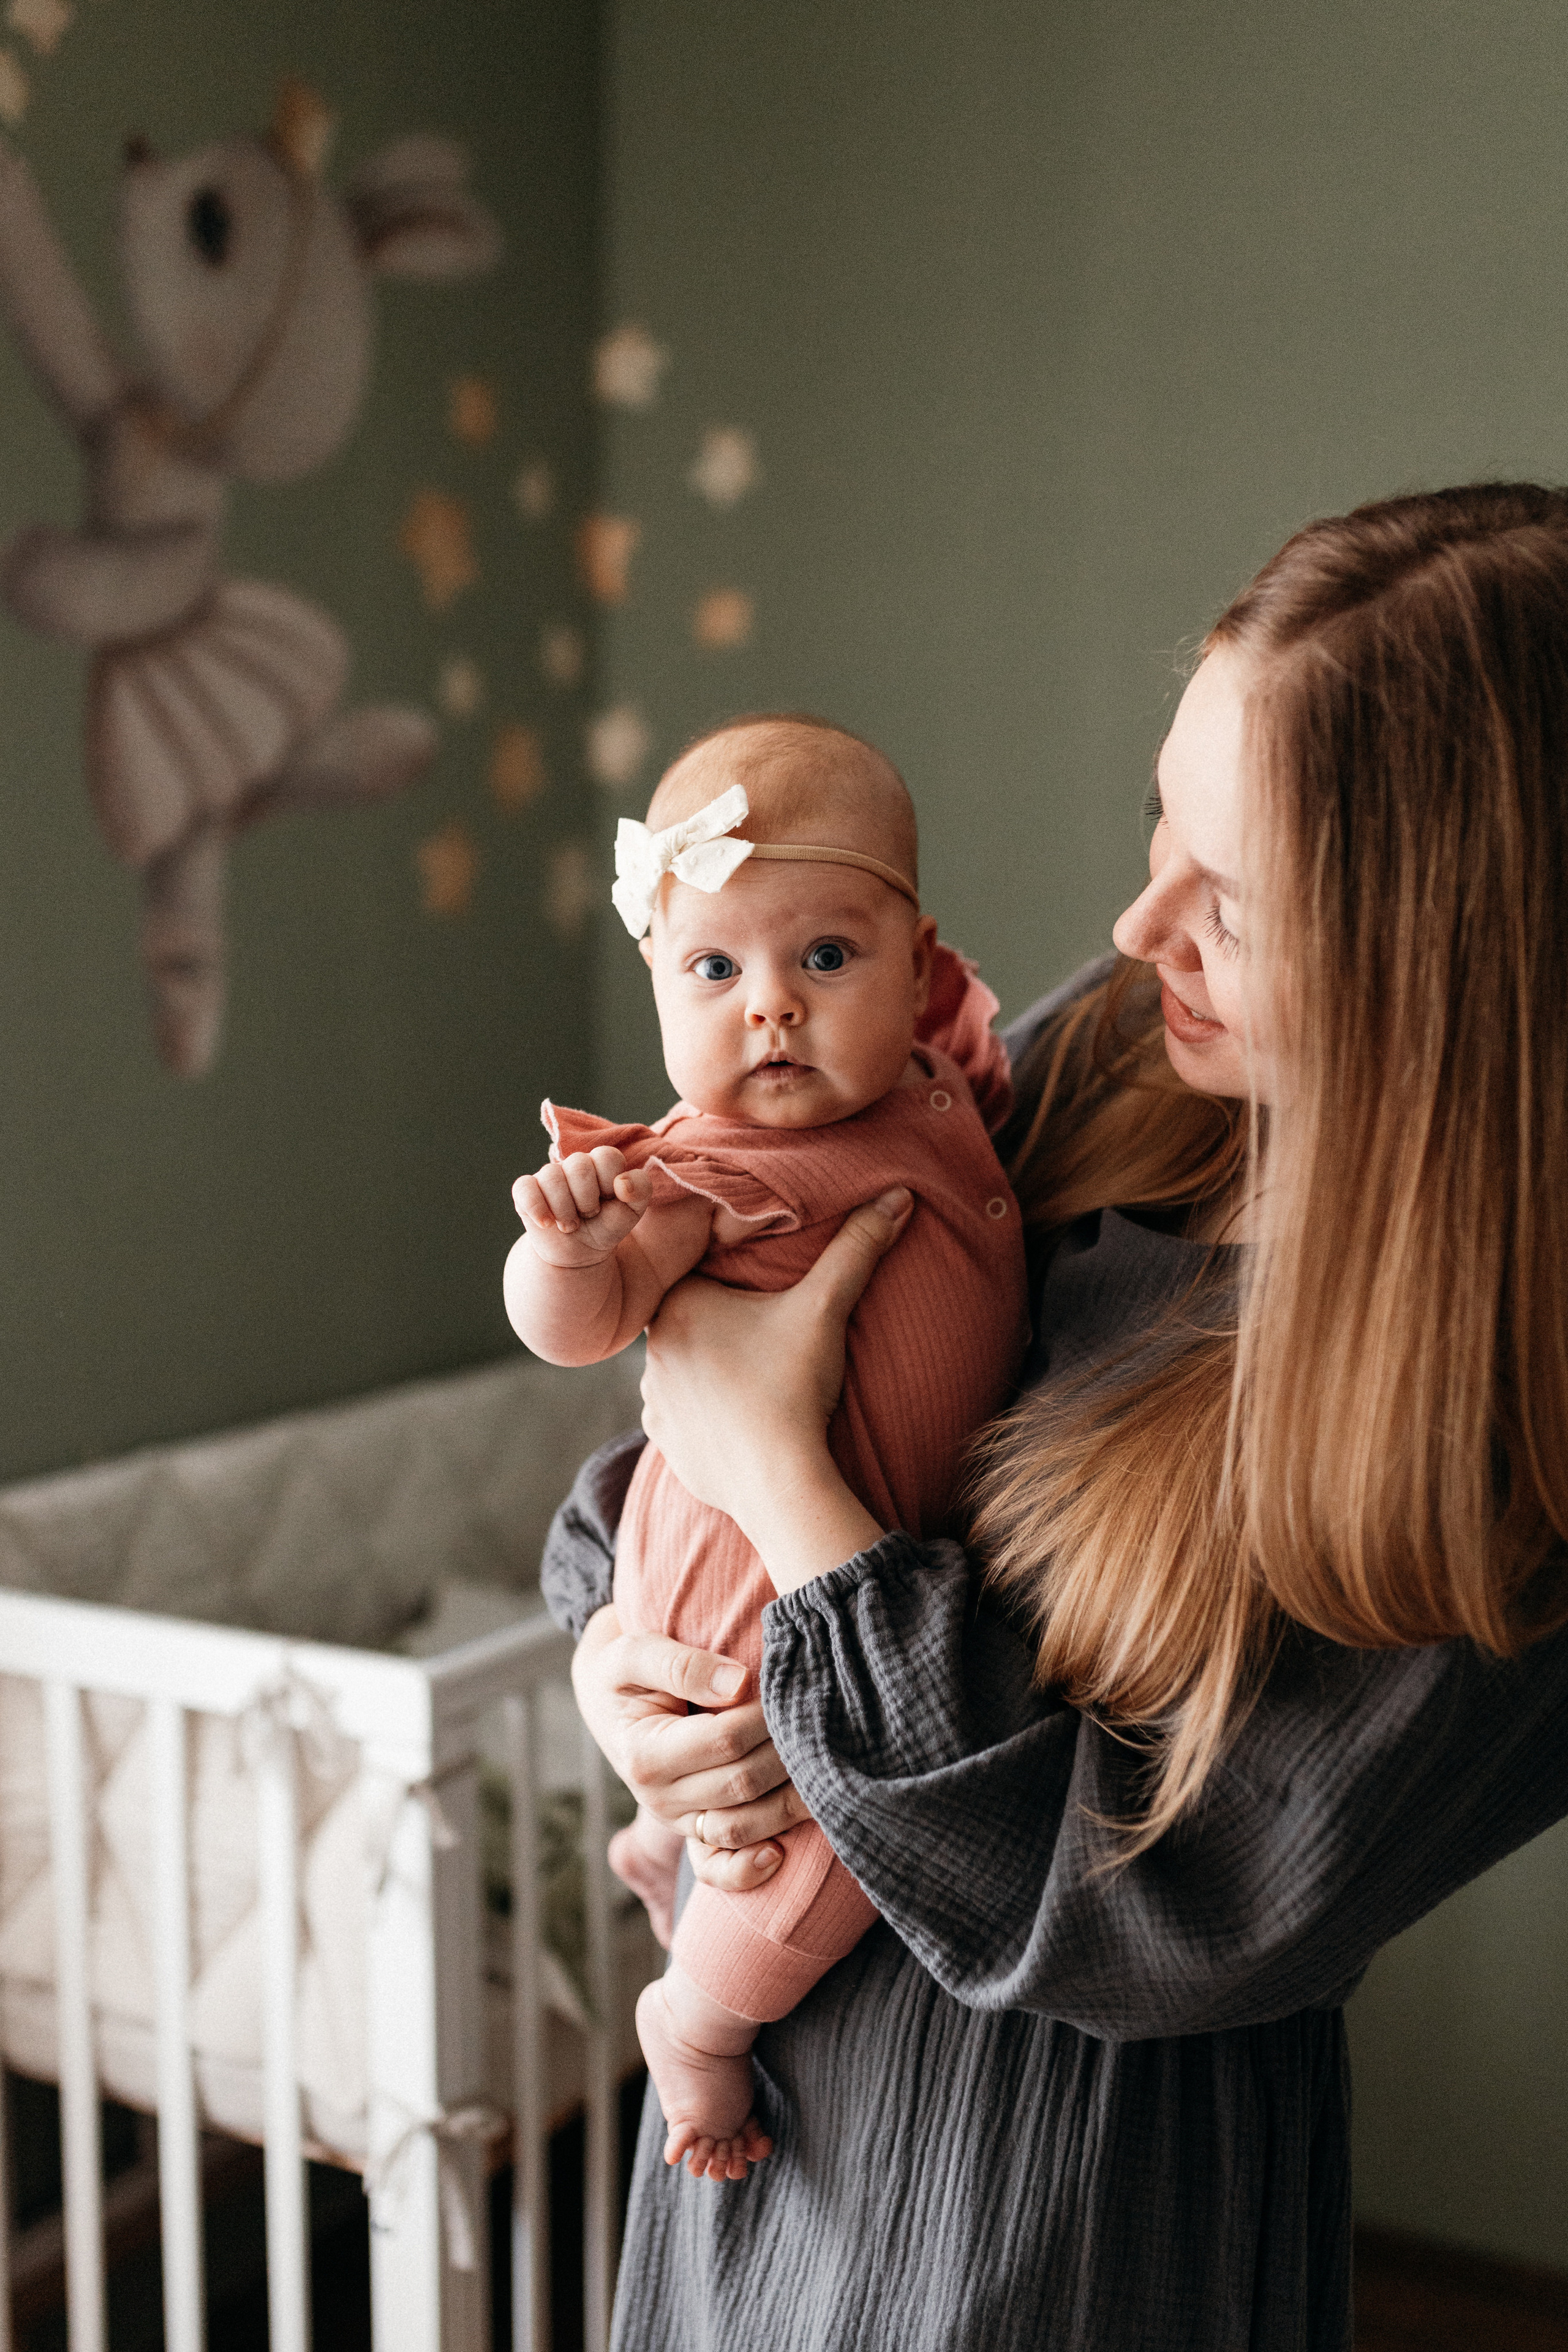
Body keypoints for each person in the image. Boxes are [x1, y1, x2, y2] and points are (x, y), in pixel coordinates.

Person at [545, 484, 1568, 2351]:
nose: (1138, 920)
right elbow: (771, 1349)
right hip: (768, 2126)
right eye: (1158, 830)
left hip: (1044, 2219)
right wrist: (625, 1647)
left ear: (1456, 966)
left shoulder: (1511, 1424)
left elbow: (1161, 1912)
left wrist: (784, 1492)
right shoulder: (1125, 1049)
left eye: (1234, 905)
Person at [506, 714, 1026, 2178]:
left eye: (824, 960)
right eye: (714, 970)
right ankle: (697, 2021)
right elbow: (586, 1318)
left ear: (920, 972)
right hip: (745, 1605)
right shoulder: (707, 1169)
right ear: (661, 984)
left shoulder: (940, 1085)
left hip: (837, 1556)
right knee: (839, 1848)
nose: (770, 1013)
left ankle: (661, 1862)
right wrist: (565, 1251)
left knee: (805, 1813)